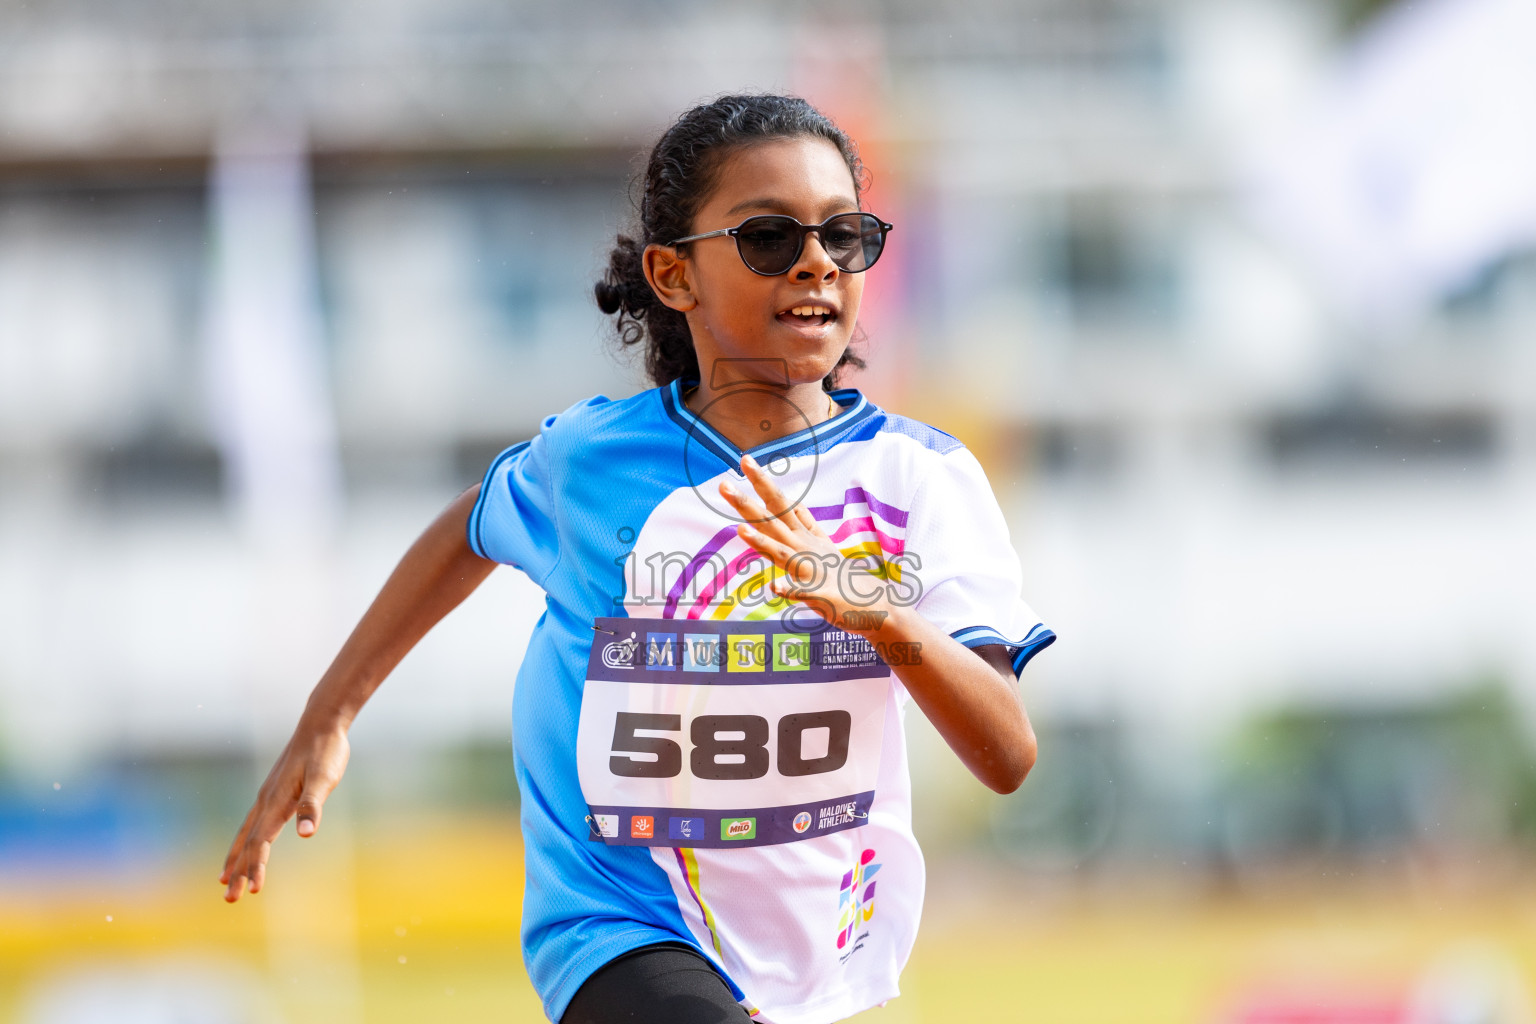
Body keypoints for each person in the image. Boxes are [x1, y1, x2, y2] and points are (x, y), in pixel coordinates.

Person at [220, 93, 1055, 1024]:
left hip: (817, 944)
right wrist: (330, 715)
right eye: (770, 236)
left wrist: (872, 609)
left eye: (844, 234)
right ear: (672, 274)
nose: (816, 261)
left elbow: (1007, 752)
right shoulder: (589, 462)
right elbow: (467, 531)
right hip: (617, 925)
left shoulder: (923, 480)